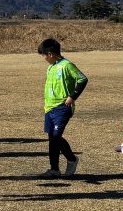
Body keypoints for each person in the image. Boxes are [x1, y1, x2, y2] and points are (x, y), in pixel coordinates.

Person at [38, 38, 88, 179]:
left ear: (50, 54)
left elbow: (83, 79)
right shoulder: (51, 67)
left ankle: (72, 159)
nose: (43, 58)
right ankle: (54, 169)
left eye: (43, 55)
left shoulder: (67, 65)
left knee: (56, 136)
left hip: (62, 107)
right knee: (52, 138)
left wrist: (72, 97)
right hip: (49, 108)